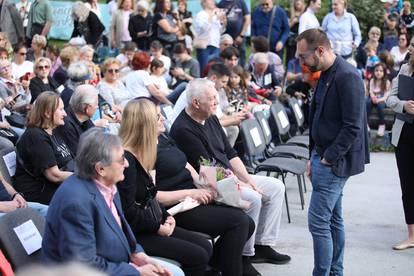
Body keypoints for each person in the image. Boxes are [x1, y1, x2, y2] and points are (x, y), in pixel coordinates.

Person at [170, 78, 291, 274]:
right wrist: (244, 186)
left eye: (216, 98)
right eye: (212, 100)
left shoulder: (210, 117)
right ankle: (244, 255)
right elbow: (207, 170)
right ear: (196, 103)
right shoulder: (183, 129)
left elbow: (230, 153)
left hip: (228, 175)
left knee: (276, 187)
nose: (217, 103)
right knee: (254, 198)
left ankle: (263, 244)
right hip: (209, 182)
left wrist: (249, 180)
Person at [42, 128, 183, 276]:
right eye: (122, 159)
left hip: (114, 263)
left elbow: (121, 229)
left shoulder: (107, 184)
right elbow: (83, 267)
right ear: (101, 168)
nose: (127, 164)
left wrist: (139, 255)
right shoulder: (75, 203)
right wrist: (137, 271)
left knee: (176, 272)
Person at [296, 28, 369, 276]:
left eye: (303, 56)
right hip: (322, 156)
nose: (301, 62)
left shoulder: (348, 76)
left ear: (320, 50)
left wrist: (327, 158)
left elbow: (353, 126)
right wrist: (312, 155)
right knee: (333, 221)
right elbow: (316, 117)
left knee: (318, 223)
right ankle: (335, 272)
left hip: (333, 161)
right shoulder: (327, 73)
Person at [118, 99, 214, 276]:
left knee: (205, 247)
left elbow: (150, 195)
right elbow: (128, 212)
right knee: (198, 255)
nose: (162, 118)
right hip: (136, 233)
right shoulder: (126, 161)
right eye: (157, 116)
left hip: (151, 221)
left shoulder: (143, 152)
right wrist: (157, 226)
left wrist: (166, 215)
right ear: (144, 124)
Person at [156, 109, 254, 276]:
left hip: (197, 191)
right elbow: (154, 195)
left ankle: (217, 263)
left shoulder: (163, 138)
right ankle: (232, 268)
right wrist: (194, 192)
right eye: (158, 116)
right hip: (177, 206)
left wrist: (200, 185)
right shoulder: (181, 129)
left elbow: (187, 163)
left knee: (248, 221)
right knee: (241, 220)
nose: (163, 118)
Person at [14, 92, 74, 204]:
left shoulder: (54, 131)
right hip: (41, 191)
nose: (65, 113)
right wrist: (84, 177)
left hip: (60, 185)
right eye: (61, 110)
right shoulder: (35, 136)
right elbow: (54, 175)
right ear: (47, 113)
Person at [386, 35, 414, 251]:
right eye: (412, 44)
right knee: (408, 185)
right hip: (404, 134)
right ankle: (411, 235)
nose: (411, 48)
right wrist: (404, 105)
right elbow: (390, 100)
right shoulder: (404, 70)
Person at [55, 84, 100, 155]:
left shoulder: (84, 118)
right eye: (96, 104)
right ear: (87, 108)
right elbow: (79, 156)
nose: (97, 107)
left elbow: (97, 139)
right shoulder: (66, 125)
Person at [193, 0, 227, 72]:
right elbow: (205, 28)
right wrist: (213, 16)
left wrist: (223, 21)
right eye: (210, 0)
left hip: (215, 45)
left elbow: (220, 31)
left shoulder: (216, 15)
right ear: (204, 3)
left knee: (216, 70)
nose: (213, 2)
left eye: (213, 0)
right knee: (204, 70)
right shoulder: (201, 14)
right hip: (204, 46)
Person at [217, 0, 251, 66]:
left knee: (240, 58)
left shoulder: (241, 2)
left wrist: (241, 35)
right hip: (225, 38)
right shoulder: (221, 3)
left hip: (239, 37)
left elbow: (247, 19)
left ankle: (240, 74)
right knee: (226, 58)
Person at [366, 63, 390, 136]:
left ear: (384, 72)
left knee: (380, 106)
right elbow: (371, 90)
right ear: (374, 71)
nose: (378, 73)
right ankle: (366, 123)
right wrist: (373, 97)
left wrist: (379, 100)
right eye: (376, 70)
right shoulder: (372, 80)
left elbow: (386, 95)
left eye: (381, 71)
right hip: (374, 98)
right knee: (367, 102)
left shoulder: (386, 82)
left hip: (382, 99)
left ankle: (382, 125)